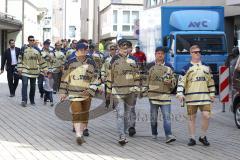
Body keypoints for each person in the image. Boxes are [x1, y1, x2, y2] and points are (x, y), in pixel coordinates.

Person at [59, 43, 98, 145]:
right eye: (81, 50)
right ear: (76, 51)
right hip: (73, 92)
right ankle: (78, 135)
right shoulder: (70, 62)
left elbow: (96, 78)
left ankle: (84, 128)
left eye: (85, 50)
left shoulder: (91, 62)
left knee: (85, 112)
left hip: (86, 93)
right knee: (77, 112)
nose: (83, 52)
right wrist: (63, 92)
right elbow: (64, 78)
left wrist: (90, 90)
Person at [176, 45, 215, 146]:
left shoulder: (207, 67)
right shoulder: (185, 68)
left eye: (199, 52)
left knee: (207, 116)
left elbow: (210, 81)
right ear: (191, 53)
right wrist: (180, 93)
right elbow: (181, 82)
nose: (198, 53)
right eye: (195, 52)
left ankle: (202, 136)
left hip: (205, 97)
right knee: (191, 118)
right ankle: (192, 138)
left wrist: (212, 93)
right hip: (191, 98)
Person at [109, 39, 140, 145]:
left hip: (130, 91)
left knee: (127, 115)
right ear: (119, 48)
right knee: (120, 114)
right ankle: (121, 136)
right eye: (122, 47)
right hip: (117, 91)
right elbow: (110, 76)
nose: (125, 49)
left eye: (126, 48)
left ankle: (125, 131)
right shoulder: (114, 60)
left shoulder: (133, 60)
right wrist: (109, 91)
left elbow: (137, 76)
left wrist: (136, 87)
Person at [145, 47, 176, 143]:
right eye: (158, 53)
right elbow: (146, 81)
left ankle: (168, 135)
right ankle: (154, 133)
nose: (160, 55)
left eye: (162, 53)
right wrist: (146, 92)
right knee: (153, 118)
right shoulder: (149, 66)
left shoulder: (169, 67)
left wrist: (170, 82)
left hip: (165, 96)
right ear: (155, 54)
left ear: (164, 55)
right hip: (153, 97)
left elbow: (174, 81)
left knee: (167, 118)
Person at [17, 35, 47, 107]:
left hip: (34, 71)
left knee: (33, 87)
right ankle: (24, 100)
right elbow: (20, 59)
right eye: (30, 40)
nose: (32, 41)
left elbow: (41, 60)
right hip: (25, 70)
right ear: (28, 41)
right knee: (24, 85)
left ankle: (32, 99)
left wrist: (45, 69)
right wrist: (19, 69)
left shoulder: (37, 50)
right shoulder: (23, 48)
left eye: (33, 40)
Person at [101, 43, 117, 109]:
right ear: (109, 50)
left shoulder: (118, 59)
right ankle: (107, 104)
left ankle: (114, 106)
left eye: (114, 49)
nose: (112, 51)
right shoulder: (106, 59)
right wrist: (102, 76)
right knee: (108, 94)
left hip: (116, 79)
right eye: (111, 49)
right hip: (108, 79)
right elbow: (103, 68)